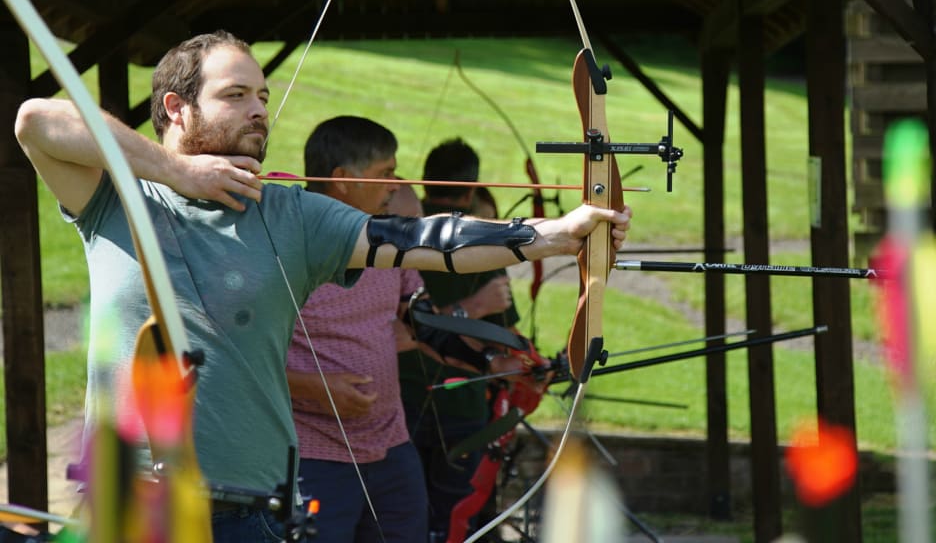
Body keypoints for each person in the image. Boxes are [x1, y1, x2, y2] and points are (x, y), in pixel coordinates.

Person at [13, 31, 632, 543]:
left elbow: (424, 238)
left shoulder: (293, 216)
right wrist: (176, 170)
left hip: (251, 513)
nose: (260, 108)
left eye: (263, 94)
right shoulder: (114, 198)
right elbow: (36, 119)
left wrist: (555, 235)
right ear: (177, 108)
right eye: (236, 95)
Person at [284, 117, 426, 543]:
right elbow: (233, 357)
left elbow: (419, 317)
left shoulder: (388, 237)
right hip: (313, 452)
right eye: (386, 173)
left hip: (391, 445)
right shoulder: (285, 241)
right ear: (343, 180)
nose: (395, 186)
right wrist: (315, 387)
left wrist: (491, 352)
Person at [398, 139, 530, 543]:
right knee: (453, 521)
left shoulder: (398, 233)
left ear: (423, 183)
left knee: (402, 519)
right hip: (445, 405)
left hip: (405, 400)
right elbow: (500, 334)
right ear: (472, 190)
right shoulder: (484, 244)